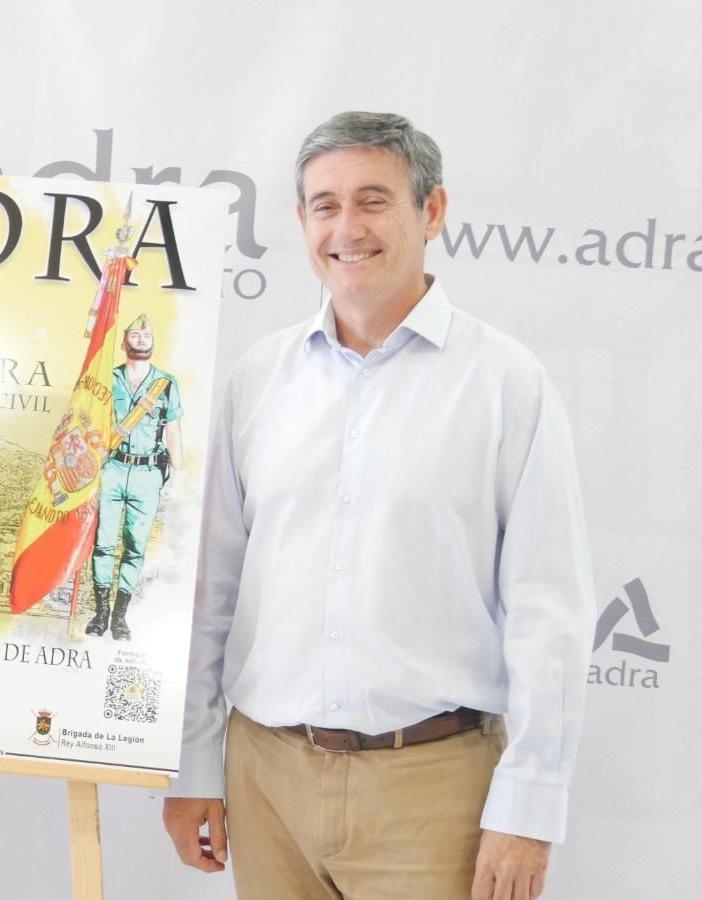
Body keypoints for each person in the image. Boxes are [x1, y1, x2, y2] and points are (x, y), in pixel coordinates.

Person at [162, 111, 594, 900]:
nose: (346, 228)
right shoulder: (258, 380)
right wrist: (194, 762)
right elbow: (213, 590)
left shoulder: (506, 385)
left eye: (373, 200)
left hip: (432, 793)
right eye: (324, 206)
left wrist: (529, 809)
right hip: (264, 780)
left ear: (432, 211)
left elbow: (548, 611)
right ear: (301, 222)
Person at [87, 313, 182, 640]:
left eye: (147, 335)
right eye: (135, 335)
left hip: (148, 473)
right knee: (103, 545)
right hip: (112, 468)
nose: (141, 339)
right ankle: (100, 613)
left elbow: (173, 429)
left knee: (135, 548)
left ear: (153, 342)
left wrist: (178, 475)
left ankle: (119, 618)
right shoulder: (108, 379)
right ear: (124, 341)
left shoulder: (165, 383)